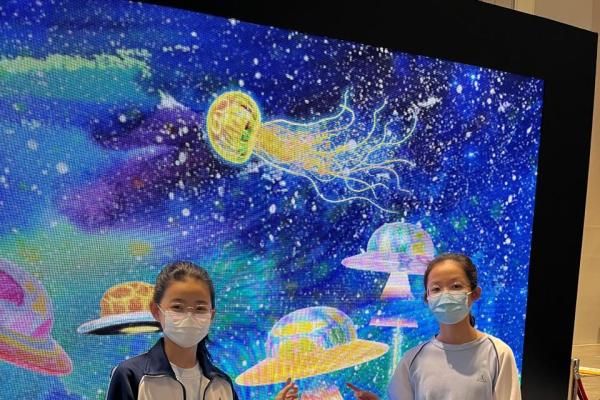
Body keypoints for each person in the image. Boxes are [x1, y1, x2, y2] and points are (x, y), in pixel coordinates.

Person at [106, 260, 299, 400]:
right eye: (177, 307)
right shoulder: (131, 376)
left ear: (211, 315)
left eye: (200, 309)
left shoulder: (221, 384)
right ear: (156, 311)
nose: (189, 317)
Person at [347, 253, 521, 400]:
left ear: (474, 293)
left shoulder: (498, 353)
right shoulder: (412, 361)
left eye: (456, 286)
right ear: (428, 298)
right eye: (436, 289)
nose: (445, 295)